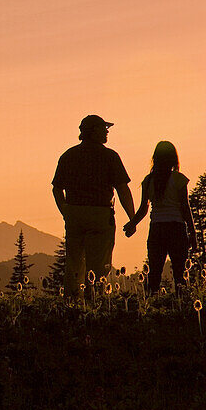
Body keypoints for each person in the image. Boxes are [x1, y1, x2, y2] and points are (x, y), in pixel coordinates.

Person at [52, 115, 135, 298]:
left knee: (74, 262)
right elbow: (122, 189)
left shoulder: (68, 156)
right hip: (100, 213)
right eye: (104, 128)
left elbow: (57, 189)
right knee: (98, 264)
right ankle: (96, 301)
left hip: (74, 213)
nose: (107, 132)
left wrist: (65, 211)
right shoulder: (109, 156)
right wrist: (132, 218)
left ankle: (73, 303)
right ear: (94, 131)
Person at [123, 140, 198, 293]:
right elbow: (185, 207)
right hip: (176, 228)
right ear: (173, 158)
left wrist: (132, 223)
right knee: (179, 272)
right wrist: (192, 232)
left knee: (154, 272)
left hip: (157, 229)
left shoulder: (149, 180)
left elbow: (144, 209)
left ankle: (152, 305)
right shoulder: (178, 179)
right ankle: (180, 305)